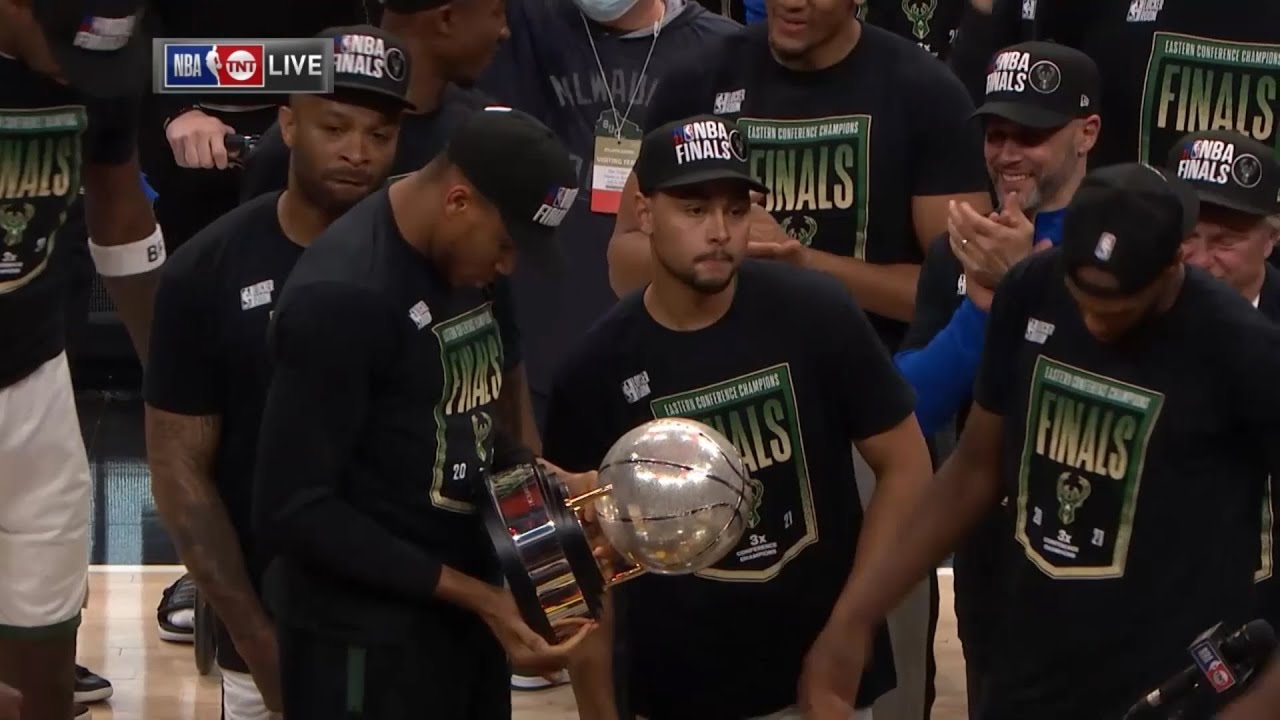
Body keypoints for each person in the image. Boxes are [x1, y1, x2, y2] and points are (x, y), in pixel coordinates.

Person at [817, 162, 1280, 720]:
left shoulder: (1244, 352)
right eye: (1081, 298)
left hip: (1173, 681)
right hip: (1032, 661)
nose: (1094, 322)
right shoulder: (1030, 289)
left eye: (1117, 309)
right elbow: (975, 469)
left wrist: (1259, 704)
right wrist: (859, 613)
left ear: (1174, 263)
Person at [548, 114, 933, 720]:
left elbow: (908, 464)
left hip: (817, 680)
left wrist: (851, 627)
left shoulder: (815, 311)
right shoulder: (595, 369)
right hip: (680, 691)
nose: (721, 232)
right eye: (695, 210)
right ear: (644, 213)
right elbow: (585, 571)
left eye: (735, 209)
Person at [251, 107, 598, 719]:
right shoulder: (343, 297)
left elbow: (475, 416)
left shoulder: (469, 258)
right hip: (362, 642)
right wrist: (482, 599)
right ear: (459, 201)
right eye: (507, 244)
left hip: (462, 617)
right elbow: (293, 509)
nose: (509, 264)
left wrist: (546, 484)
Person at [144, 25, 412, 720]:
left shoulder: (429, 256)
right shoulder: (204, 271)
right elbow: (180, 473)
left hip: (407, 623)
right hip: (264, 616)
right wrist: (254, 637)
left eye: (379, 134)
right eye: (335, 127)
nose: (358, 153)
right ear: (288, 123)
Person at [893, 40, 1099, 720]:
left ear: (1086, 132)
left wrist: (1022, 289)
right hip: (990, 539)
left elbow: (1109, 390)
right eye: (996, 134)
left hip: (1103, 542)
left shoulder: (1130, 243)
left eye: (1031, 135)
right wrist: (982, 313)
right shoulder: (957, 247)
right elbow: (912, 404)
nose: (1008, 154)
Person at [608, 0, 991, 355]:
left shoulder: (925, 93)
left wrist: (804, 266)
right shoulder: (699, 80)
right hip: (716, 383)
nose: (792, 2)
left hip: (872, 384)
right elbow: (623, 263)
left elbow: (958, 292)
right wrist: (720, 252)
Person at [0, 1, 166, 719]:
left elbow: (118, 204)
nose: (79, 77)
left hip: (33, 375)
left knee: (40, 668)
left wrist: (174, 377)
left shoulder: (103, 57)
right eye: (67, 51)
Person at [1168, 129, 1280, 638]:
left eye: (1226, 241)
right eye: (1189, 237)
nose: (1202, 259)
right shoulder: (1123, 310)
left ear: (1272, 236)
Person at [239, 0, 510, 200]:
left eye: (379, 135)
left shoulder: (485, 131)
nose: (504, 32)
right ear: (446, 19)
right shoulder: (289, 150)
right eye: (497, 13)